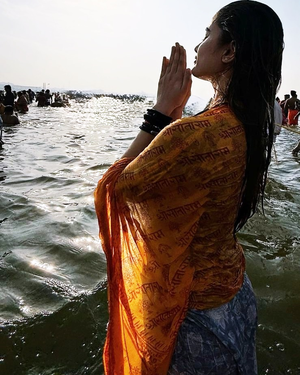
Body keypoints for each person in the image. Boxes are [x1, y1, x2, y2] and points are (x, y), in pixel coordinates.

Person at [94, 1, 284, 374]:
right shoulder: (249, 127)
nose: (198, 46)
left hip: (196, 318)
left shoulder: (198, 132)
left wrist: (161, 113)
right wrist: (176, 124)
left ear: (230, 51)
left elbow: (114, 189)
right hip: (235, 295)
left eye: (207, 35)